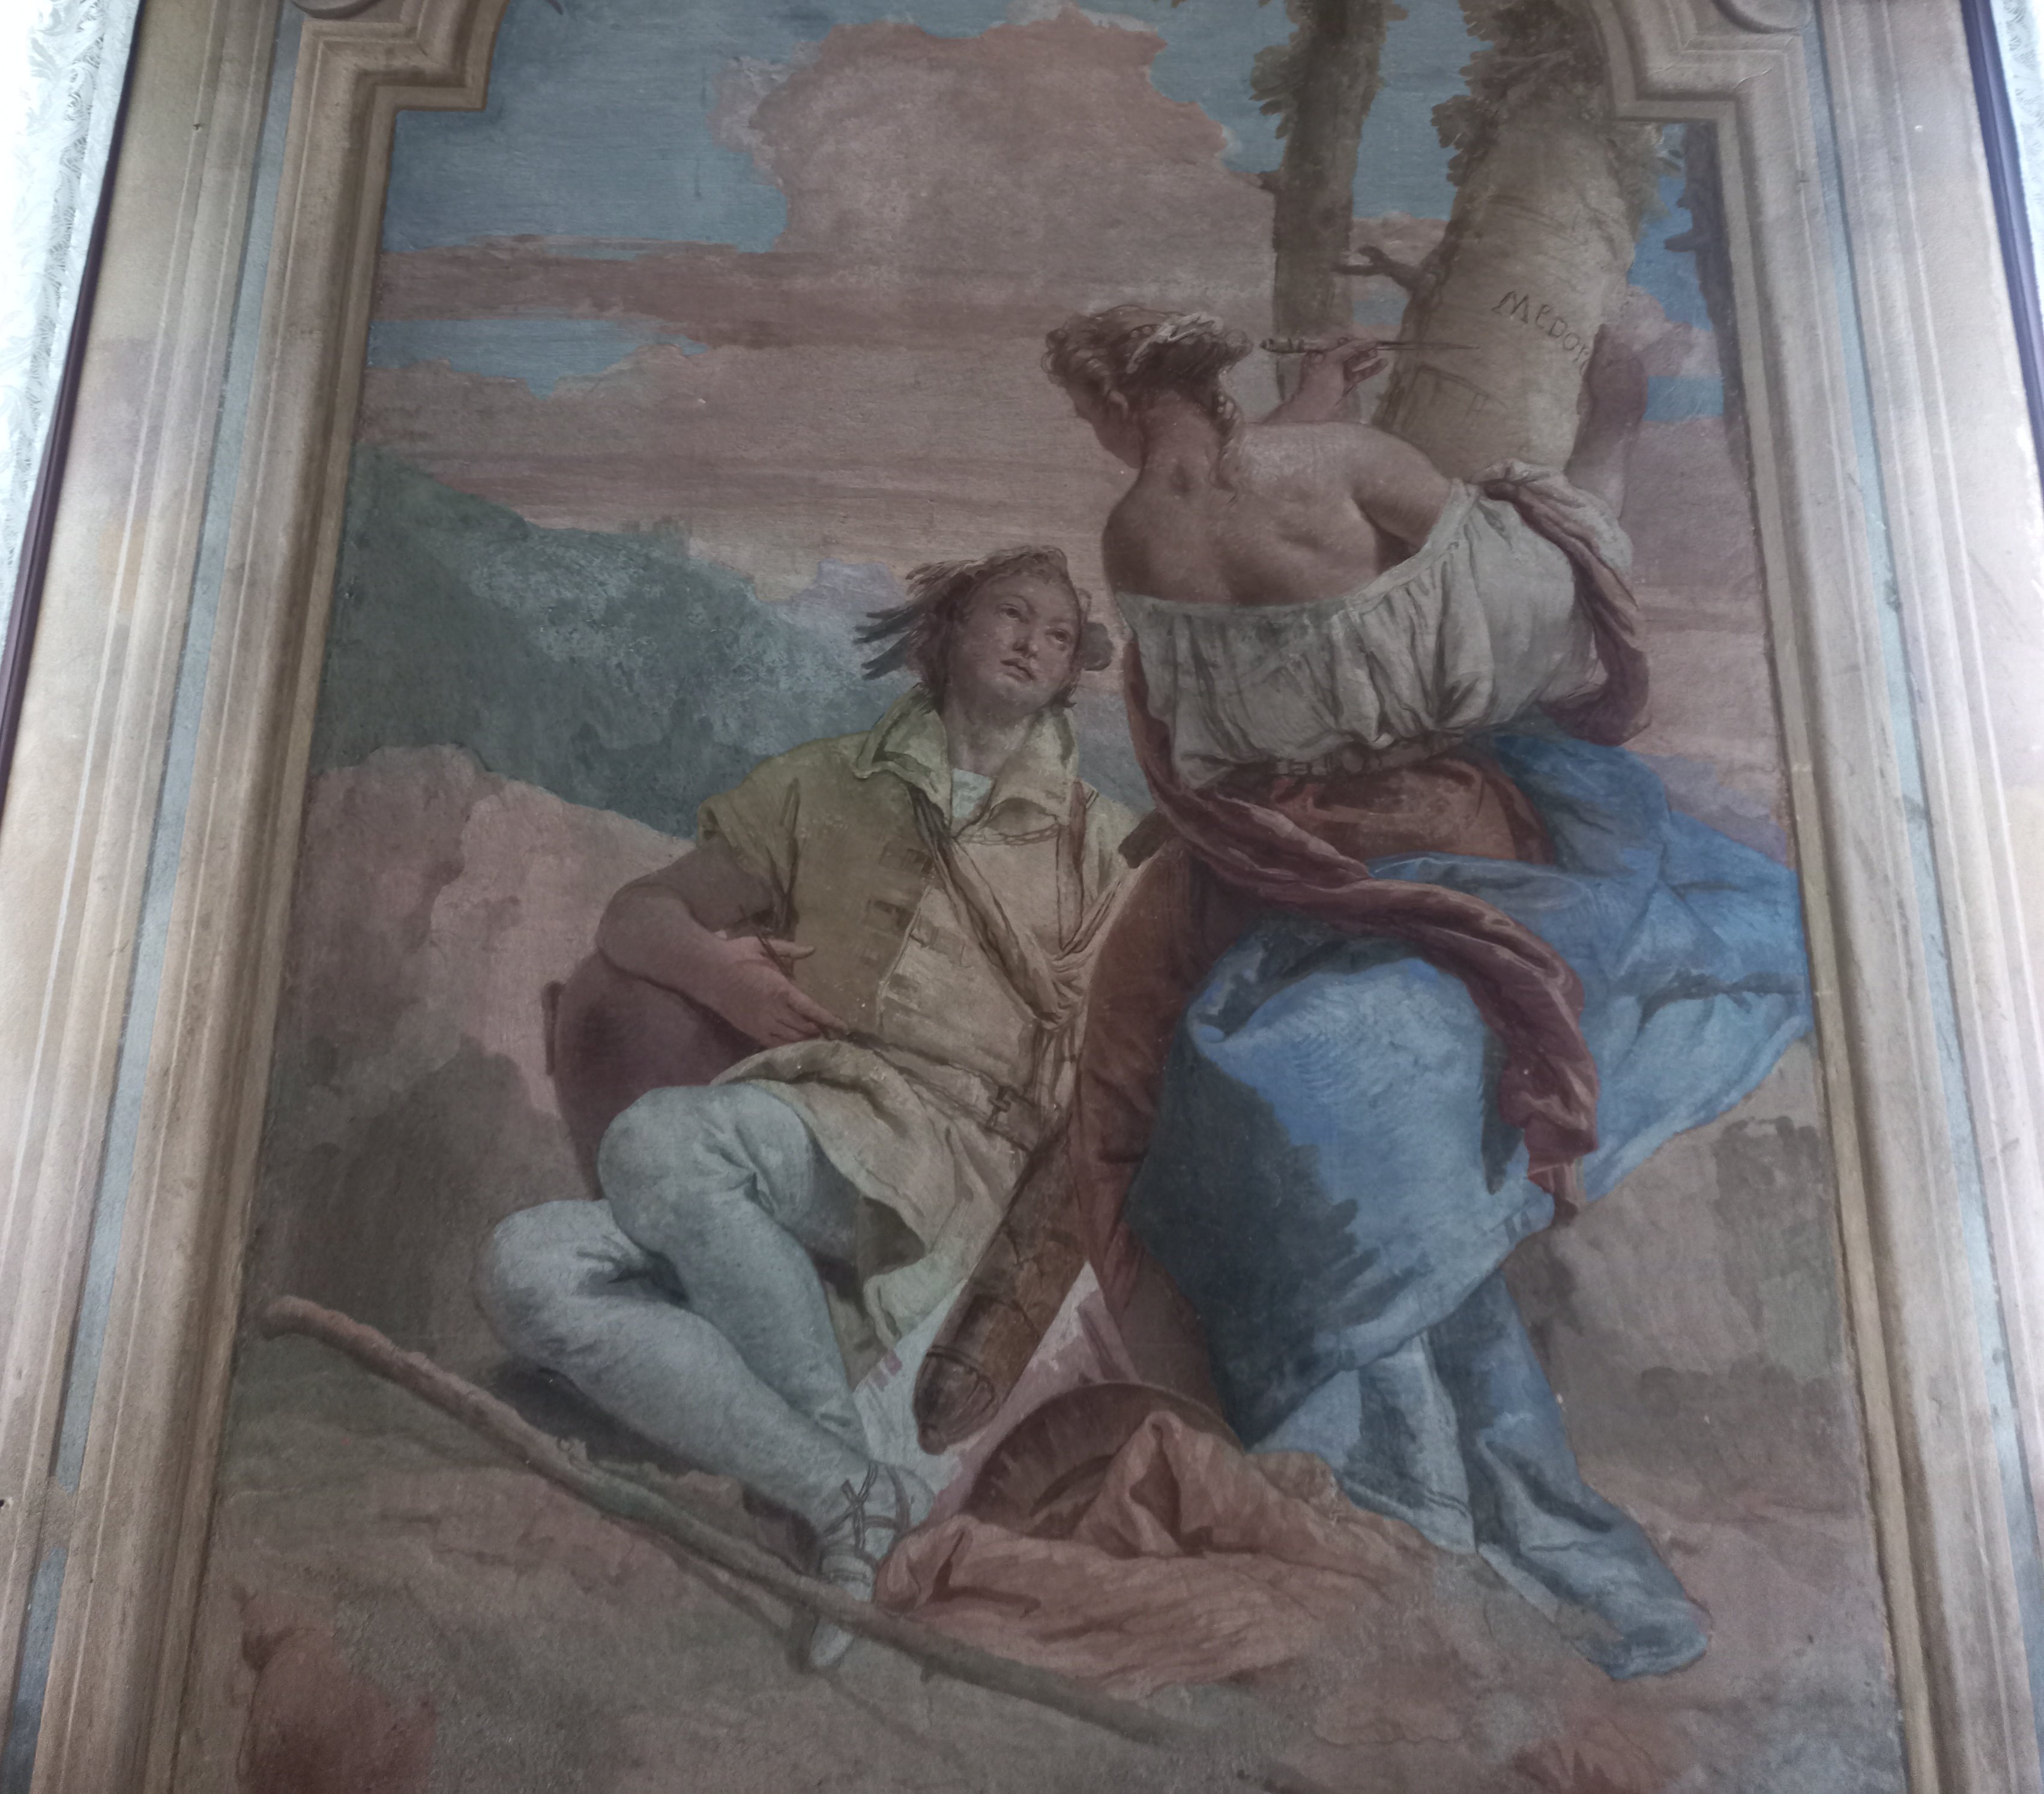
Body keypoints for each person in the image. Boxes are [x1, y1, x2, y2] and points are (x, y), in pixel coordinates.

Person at [1043, 305, 1810, 1682]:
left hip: (1306, 850)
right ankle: (1417, 1495)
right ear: (1219, 382)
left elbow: (1240, 573)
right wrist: (1601, 443)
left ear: (1107, 412)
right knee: (1660, 948)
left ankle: (1398, 1488)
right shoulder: (1331, 462)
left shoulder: (1134, 531)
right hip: (1418, 828)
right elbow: (1532, 607)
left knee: (1249, 1088)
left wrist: (1316, 402)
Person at [477, 547, 1139, 1665]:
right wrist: (722, 977)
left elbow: (1126, 1065)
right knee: (527, 1266)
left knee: (663, 1146)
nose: (1033, 642)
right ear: (947, 630)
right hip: (817, 1129)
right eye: (1010, 615)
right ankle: (843, 1489)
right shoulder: (823, 786)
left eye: (1060, 634)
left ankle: (836, 1484)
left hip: (962, 1169)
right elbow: (639, 917)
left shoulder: (1101, 847)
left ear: (1073, 672)